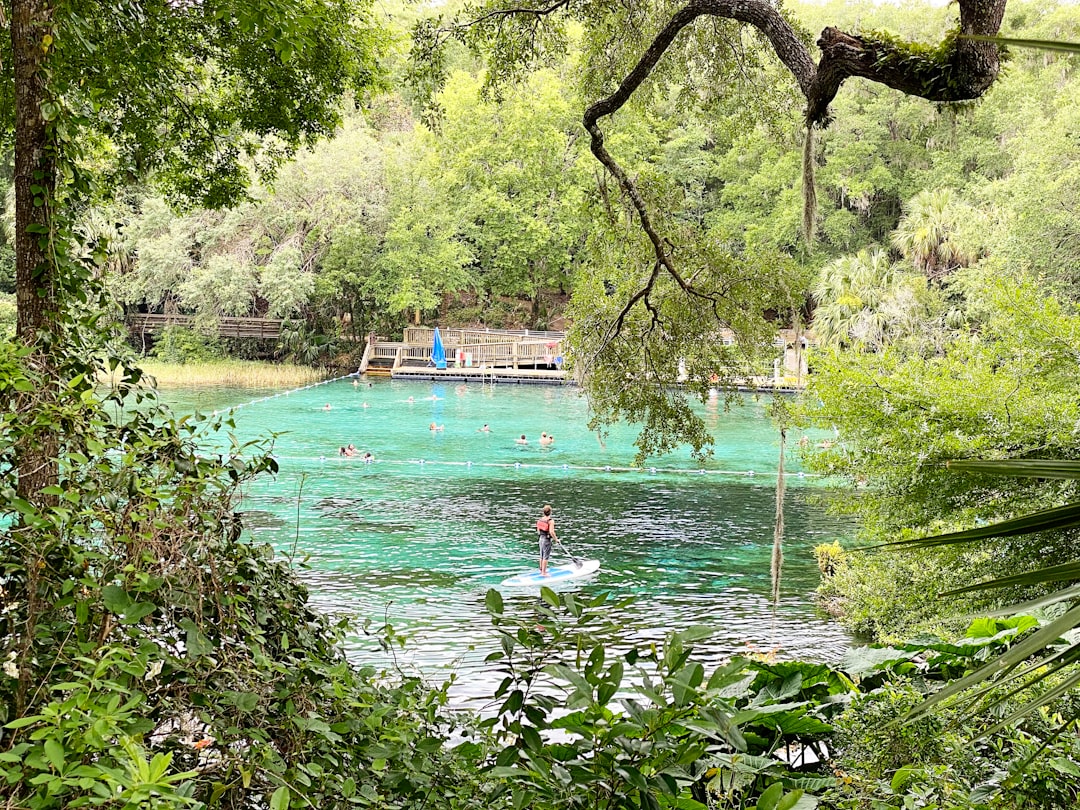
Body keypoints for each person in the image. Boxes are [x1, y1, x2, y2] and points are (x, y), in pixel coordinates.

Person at [536, 504, 559, 576]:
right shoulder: (550, 521)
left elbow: (538, 530)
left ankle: (541, 569)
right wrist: (556, 540)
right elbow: (551, 532)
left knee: (541, 555)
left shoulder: (540, 520)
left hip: (541, 538)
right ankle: (544, 573)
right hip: (546, 539)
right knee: (546, 556)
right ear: (550, 512)